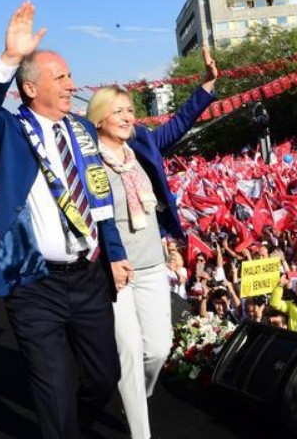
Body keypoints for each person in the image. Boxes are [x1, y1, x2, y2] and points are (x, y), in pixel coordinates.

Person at [0, 1, 129, 438]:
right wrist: (9, 59)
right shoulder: (9, 132)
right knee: (53, 391)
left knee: (102, 379)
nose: (74, 85)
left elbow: (100, 202)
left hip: (90, 278)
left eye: (71, 75)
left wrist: (113, 254)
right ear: (32, 89)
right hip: (35, 285)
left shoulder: (84, 132)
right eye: (62, 77)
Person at [85, 46, 217, 439]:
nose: (128, 117)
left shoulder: (142, 146)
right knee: (127, 353)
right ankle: (139, 430)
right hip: (114, 272)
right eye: (119, 111)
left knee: (158, 348)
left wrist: (206, 87)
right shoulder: (87, 157)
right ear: (99, 117)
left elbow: (176, 128)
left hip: (151, 266)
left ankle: (135, 399)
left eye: (130, 110)